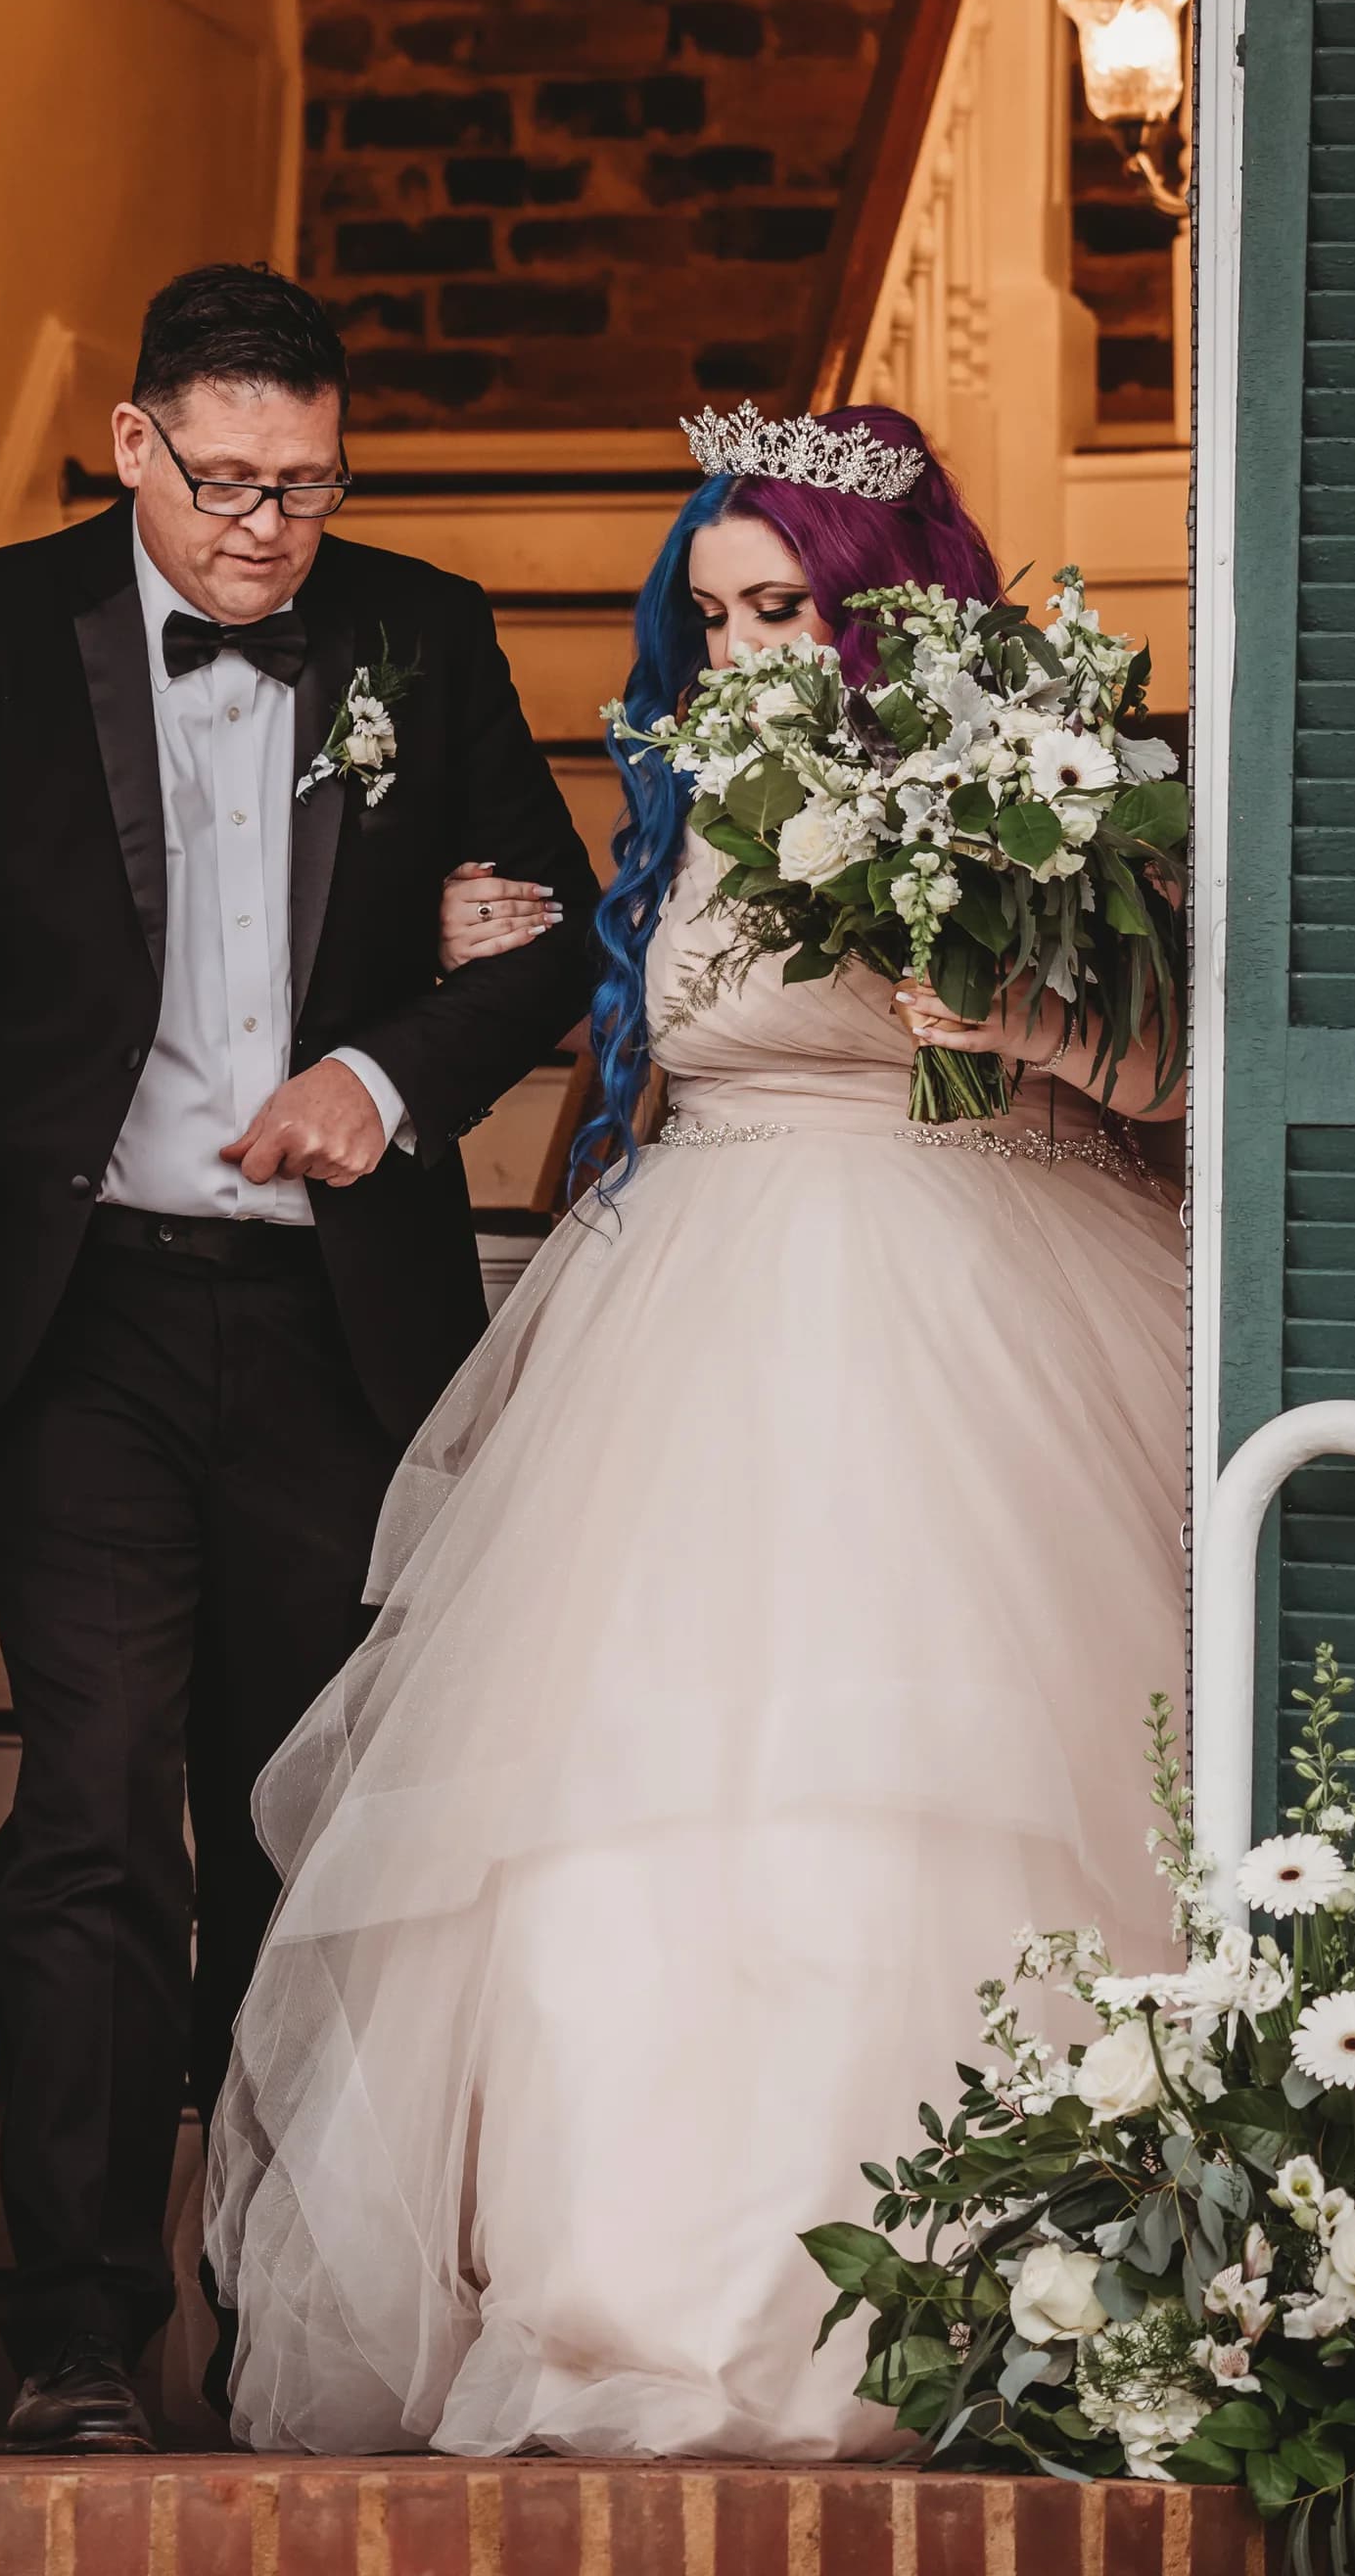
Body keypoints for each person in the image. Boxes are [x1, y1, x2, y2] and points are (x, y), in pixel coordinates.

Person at [207, 404, 1186, 2461]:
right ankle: (626, 2293)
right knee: (618, 1817)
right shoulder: (689, 806)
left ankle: (928, 2296)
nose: (745, 648)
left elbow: (1175, 1067)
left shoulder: (1028, 784)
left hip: (946, 1317)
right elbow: (641, 1064)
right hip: (683, 1336)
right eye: (717, 613)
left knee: (910, 1787)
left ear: (886, 608)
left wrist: (1012, 1015)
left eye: (786, 606)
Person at [0, 263, 597, 2452]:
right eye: (230, 480)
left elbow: (546, 926)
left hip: (340, 1330)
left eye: (308, 484)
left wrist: (387, 1061)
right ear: (131, 442)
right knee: (90, 1810)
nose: (271, 526)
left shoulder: (423, 631)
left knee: (306, 1832)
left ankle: (284, 2317)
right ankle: (77, 2328)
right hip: (78, 1328)